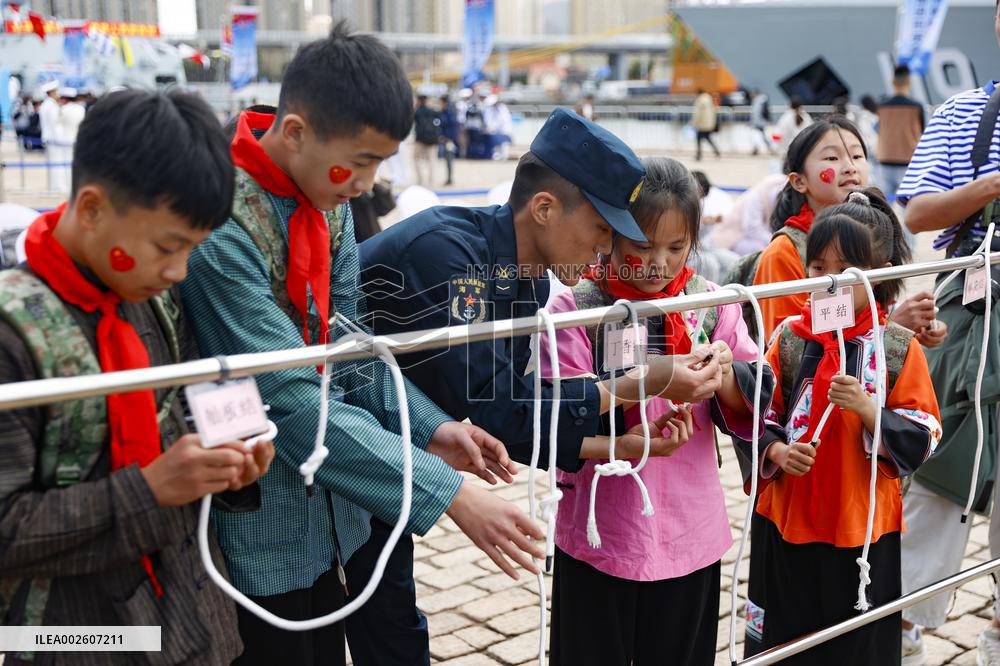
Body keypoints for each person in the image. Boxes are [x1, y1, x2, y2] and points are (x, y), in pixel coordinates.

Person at [180, 25, 544, 666]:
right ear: (295, 132)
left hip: (336, 520)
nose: (368, 182)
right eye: (363, 160)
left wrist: (432, 428)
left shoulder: (328, 201)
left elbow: (349, 342)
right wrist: (449, 493)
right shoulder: (219, 224)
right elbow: (287, 395)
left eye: (382, 163)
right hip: (262, 525)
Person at [361, 108, 728, 659]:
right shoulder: (452, 258)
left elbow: (522, 417)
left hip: (396, 440)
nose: (607, 251)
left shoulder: (526, 279)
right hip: (332, 436)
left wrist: (620, 446)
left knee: (390, 625)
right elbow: (502, 411)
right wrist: (636, 385)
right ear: (545, 208)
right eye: (602, 230)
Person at [0, 88, 276, 665]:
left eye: (193, 250)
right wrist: (149, 490)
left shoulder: (152, 296)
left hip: (194, 619)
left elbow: (198, 394)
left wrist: (236, 451)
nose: (178, 271)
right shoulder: (13, 336)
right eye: (167, 247)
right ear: (94, 207)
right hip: (72, 638)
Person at [541, 157, 774, 666]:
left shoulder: (712, 305)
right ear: (609, 236)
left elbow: (755, 397)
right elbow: (559, 418)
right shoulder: (576, 311)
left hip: (690, 526)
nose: (659, 264)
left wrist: (722, 373)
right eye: (642, 247)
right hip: (600, 528)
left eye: (676, 248)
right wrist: (650, 387)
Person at [742, 189, 942, 664]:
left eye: (845, 271)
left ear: (876, 276)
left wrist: (869, 410)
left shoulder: (896, 348)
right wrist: (776, 452)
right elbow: (755, 415)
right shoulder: (789, 338)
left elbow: (926, 430)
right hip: (788, 520)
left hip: (862, 527)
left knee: (858, 644)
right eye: (817, 268)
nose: (828, 281)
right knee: (788, 638)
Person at [896, 8, 1000, 662]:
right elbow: (918, 211)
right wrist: (992, 186)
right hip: (971, 333)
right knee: (938, 488)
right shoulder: (966, 112)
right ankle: (900, 636)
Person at [752, 117, 947, 348]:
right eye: (832, 158)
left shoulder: (873, 233)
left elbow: (876, 310)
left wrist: (915, 329)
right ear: (798, 181)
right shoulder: (783, 252)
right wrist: (891, 327)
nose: (850, 167)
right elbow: (785, 350)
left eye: (857, 156)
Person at [412, 94, 440, 187]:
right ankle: (431, 181)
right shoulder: (433, 111)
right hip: (432, 139)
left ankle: (420, 180)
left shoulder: (418, 111)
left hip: (420, 139)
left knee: (416, 159)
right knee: (432, 160)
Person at [692, 88, 721, 161]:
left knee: (699, 138)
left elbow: (698, 113)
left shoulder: (700, 100)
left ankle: (699, 154)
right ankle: (716, 151)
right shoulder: (709, 99)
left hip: (702, 123)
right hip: (709, 123)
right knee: (707, 137)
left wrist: (694, 122)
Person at [438, 94, 459, 186]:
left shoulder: (449, 112)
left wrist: (448, 138)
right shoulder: (445, 111)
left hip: (449, 139)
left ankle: (450, 178)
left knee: (449, 159)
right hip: (445, 138)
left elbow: (453, 126)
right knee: (447, 159)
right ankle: (449, 178)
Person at [750, 88, 776, 156]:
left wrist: (755, 122)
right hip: (760, 122)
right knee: (760, 136)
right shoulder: (760, 101)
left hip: (760, 122)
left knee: (759, 136)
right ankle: (757, 149)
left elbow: (758, 113)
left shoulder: (759, 101)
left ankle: (757, 149)